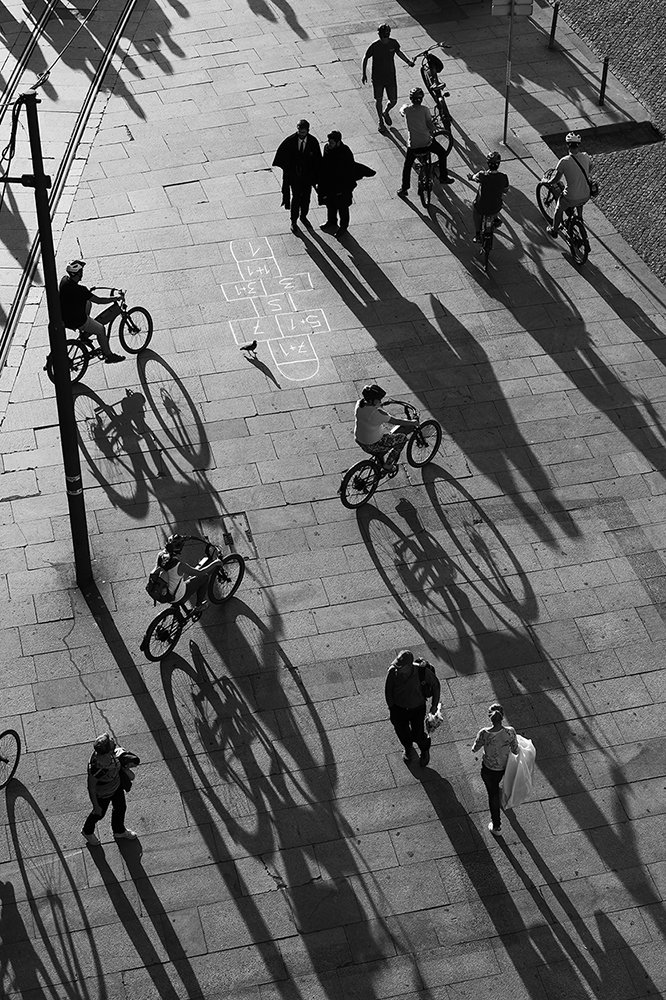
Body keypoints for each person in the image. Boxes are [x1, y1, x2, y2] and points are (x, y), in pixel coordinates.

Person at [58, 260, 125, 363]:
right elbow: (99, 301)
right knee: (101, 329)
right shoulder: (81, 290)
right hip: (77, 319)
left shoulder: (64, 281)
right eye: (81, 271)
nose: (82, 273)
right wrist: (115, 298)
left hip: (65, 314)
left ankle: (84, 334)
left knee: (88, 302)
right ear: (78, 273)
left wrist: (87, 294)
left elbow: (79, 296)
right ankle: (109, 356)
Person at [385, 650, 441, 767]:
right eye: (397, 665)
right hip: (398, 709)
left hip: (417, 708)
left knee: (418, 733)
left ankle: (424, 749)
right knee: (402, 732)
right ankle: (408, 747)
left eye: (401, 667)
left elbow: (436, 685)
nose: (397, 668)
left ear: (409, 666)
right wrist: (392, 708)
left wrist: (434, 705)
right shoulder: (393, 671)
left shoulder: (422, 672)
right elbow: (388, 690)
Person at [81, 733, 137, 846]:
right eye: (110, 741)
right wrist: (96, 806)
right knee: (99, 814)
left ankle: (119, 831)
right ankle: (87, 831)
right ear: (106, 750)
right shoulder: (97, 767)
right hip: (104, 793)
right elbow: (91, 787)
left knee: (120, 807)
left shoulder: (111, 754)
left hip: (116, 786)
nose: (113, 740)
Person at [397, 87, 454, 198]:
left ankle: (404, 189)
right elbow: (429, 124)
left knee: (407, 166)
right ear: (421, 99)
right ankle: (443, 177)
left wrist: (405, 109)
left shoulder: (407, 110)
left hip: (413, 146)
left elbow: (402, 110)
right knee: (442, 153)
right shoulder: (425, 110)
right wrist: (435, 129)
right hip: (426, 144)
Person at [472, 703, 519, 836]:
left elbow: (475, 748)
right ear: (502, 717)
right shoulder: (510, 731)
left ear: (490, 717)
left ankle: (497, 826)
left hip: (488, 769)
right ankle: (501, 792)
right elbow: (515, 750)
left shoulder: (484, 733)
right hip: (504, 767)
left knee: (492, 795)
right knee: (498, 784)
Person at [362, 23, 415, 133]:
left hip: (390, 76)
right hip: (377, 78)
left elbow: (398, 52)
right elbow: (366, 57)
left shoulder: (393, 43)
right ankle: (380, 121)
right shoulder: (375, 46)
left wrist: (408, 61)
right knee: (379, 99)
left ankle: (385, 112)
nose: (385, 38)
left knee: (394, 100)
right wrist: (364, 73)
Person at [272, 119, 322, 233]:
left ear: (307, 131)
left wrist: (317, 178)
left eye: (303, 132)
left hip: (307, 177)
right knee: (296, 198)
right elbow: (282, 155)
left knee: (306, 199)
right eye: (299, 131)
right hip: (295, 177)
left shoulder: (313, 142)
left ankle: (303, 216)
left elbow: (318, 160)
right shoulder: (290, 141)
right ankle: (293, 221)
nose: (301, 134)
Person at [354, 384, 417, 471]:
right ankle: (388, 464)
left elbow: (371, 409)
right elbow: (396, 421)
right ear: (373, 400)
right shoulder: (377, 415)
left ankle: (381, 458)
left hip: (359, 439)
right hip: (372, 444)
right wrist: (412, 422)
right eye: (379, 399)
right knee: (402, 439)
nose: (380, 401)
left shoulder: (359, 404)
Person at [547, 132, 594, 237]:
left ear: (567, 145)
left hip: (571, 197)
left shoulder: (564, 161)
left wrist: (548, 182)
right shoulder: (586, 156)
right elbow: (591, 167)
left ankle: (554, 230)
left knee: (559, 209)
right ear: (579, 145)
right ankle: (580, 217)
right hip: (586, 195)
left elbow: (556, 179)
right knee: (579, 198)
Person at [149, 533, 214, 608]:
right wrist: (215, 563)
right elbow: (200, 572)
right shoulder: (179, 565)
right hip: (177, 596)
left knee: (178, 577)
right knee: (204, 577)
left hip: (162, 592)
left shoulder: (160, 555)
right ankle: (199, 605)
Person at [318, 131, 357, 237]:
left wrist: (345, 188)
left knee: (343, 208)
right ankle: (331, 221)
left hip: (341, 186)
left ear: (338, 142)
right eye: (329, 142)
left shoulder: (345, 152)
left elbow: (350, 171)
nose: (329, 144)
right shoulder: (327, 148)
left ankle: (343, 227)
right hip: (329, 184)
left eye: (332, 142)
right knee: (330, 205)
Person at [468, 151, 509, 242]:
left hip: (481, 206)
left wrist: (471, 177)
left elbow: (474, 177)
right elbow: (505, 190)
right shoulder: (503, 177)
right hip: (496, 207)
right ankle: (495, 219)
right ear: (498, 164)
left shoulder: (482, 175)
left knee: (475, 209)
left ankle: (478, 234)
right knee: (497, 200)